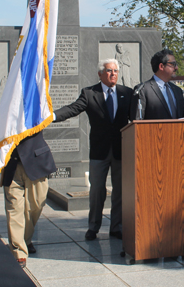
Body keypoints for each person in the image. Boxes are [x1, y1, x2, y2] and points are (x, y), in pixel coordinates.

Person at [53, 59, 133, 241]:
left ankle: (116, 227)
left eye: (115, 71)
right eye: (109, 71)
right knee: (97, 190)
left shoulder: (126, 93)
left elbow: (136, 117)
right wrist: (52, 115)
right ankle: (93, 227)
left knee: (120, 191)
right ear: (100, 74)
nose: (113, 74)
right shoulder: (90, 94)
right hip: (99, 152)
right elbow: (73, 109)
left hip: (121, 150)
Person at [0, 104, 57, 268]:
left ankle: (25, 238)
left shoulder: (36, 104)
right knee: (14, 208)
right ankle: (18, 251)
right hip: (11, 167)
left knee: (36, 205)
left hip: (36, 163)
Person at [131, 49, 184, 120]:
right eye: (173, 64)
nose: (176, 68)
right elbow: (137, 122)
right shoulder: (142, 90)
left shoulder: (177, 90)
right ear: (161, 66)